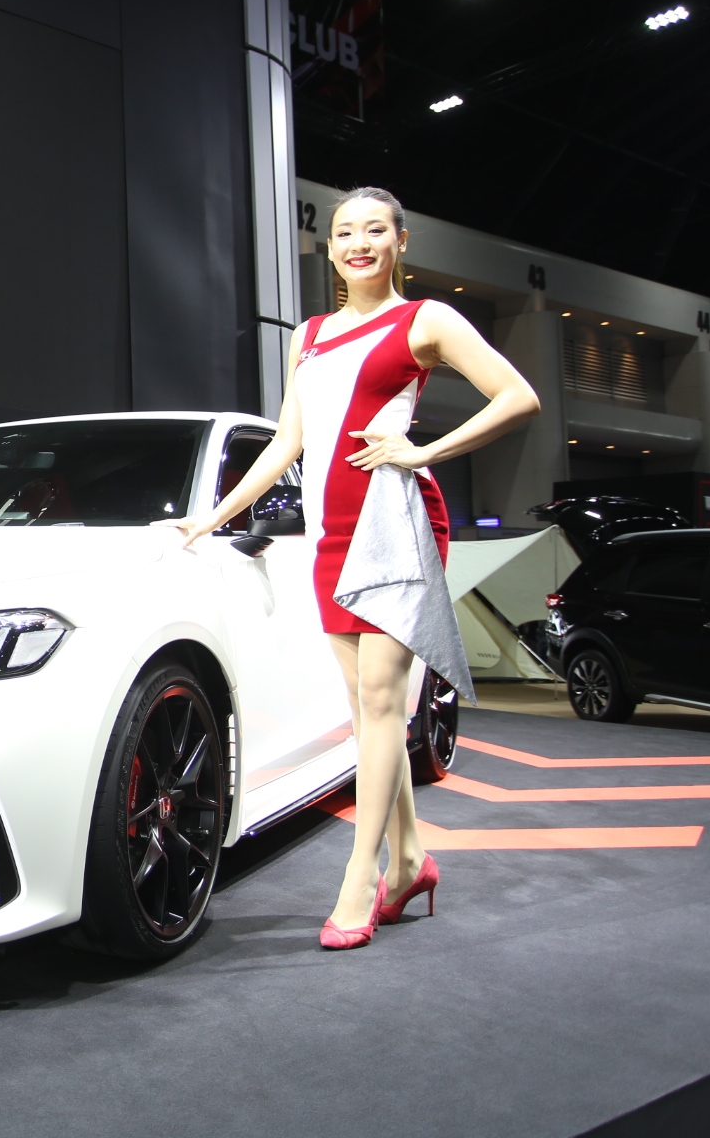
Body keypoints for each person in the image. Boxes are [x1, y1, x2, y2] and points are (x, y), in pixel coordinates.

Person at [160, 187, 539, 949]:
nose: (358, 243)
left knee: (380, 702)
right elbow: (286, 442)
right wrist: (210, 517)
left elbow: (518, 397)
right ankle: (411, 861)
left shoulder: (425, 320)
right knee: (370, 714)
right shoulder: (310, 334)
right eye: (344, 233)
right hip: (331, 532)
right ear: (329, 248)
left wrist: (424, 451)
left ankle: (362, 878)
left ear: (401, 241)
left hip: (395, 525)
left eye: (374, 230)